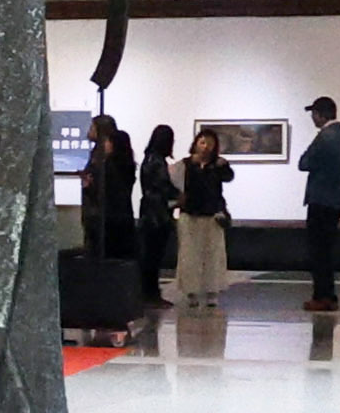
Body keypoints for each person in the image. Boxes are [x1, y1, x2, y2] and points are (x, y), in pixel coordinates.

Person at [296, 95, 340, 313]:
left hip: (321, 199)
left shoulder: (325, 136)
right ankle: (328, 295)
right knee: (326, 249)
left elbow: (304, 162)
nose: (312, 118)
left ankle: (322, 296)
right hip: (336, 198)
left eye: (314, 114)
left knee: (318, 250)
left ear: (320, 115)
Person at [175, 128, 232, 307]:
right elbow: (174, 184)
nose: (206, 147)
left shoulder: (218, 165)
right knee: (189, 255)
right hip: (190, 214)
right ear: (196, 144)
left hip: (212, 215)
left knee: (213, 256)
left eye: (210, 144)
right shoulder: (185, 164)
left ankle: (212, 291)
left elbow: (228, 177)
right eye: (202, 142)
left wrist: (222, 165)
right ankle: (191, 291)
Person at [81, 113, 136, 262]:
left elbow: (112, 190)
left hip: (107, 219)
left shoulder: (113, 163)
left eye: (93, 127)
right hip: (98, 216)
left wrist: (90, 185)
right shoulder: (98, 156)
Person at [137, 124, 179, 307]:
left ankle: (148, 293)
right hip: (157, 215)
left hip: (148, 212)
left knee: (149, 256)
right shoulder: (157, 161)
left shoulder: (148, 159)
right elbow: (163, 187)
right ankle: (151, 294)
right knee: (153, 256)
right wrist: (180, 195)